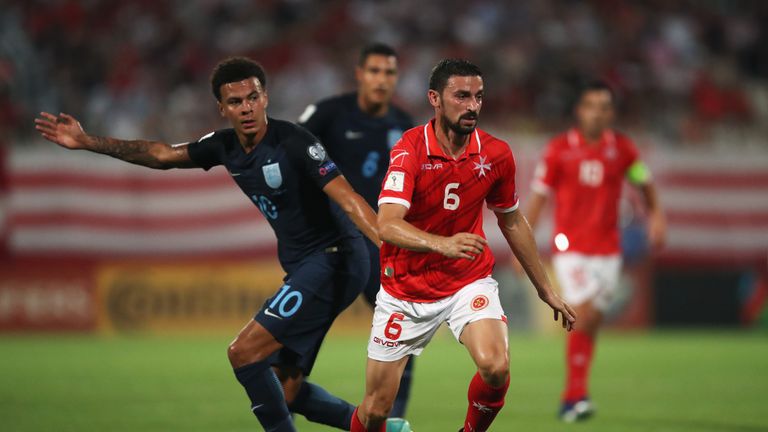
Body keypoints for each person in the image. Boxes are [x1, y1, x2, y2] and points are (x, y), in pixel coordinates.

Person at [35, 57, 381, 432]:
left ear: (266, 98)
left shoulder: (295, 142)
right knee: (286, 389)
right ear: (222, 108)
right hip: (306, 267)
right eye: (235, 102)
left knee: (244, 353)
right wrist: (88, 142)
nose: (246, 108)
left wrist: (389, 245)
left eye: (253, 97)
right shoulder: (224, 146)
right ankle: (381, 429)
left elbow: (349, 199)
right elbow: (161, 154)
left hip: (334, 260)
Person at [348, 58, 576, 432]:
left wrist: (545, 288)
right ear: (435, 99)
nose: (472, 105)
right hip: (404, 289)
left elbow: (512, 219)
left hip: (466, 282)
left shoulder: (496, 154)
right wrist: (442, 244)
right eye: (462, 96)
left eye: (479, 96)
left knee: (496, 366)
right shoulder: (409, 150)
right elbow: (386, 225)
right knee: (374, 411)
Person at [525, 81, 666, 422]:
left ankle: (573, 397)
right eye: (592, 106)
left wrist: (657, 215)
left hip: (608, 251)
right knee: (584, 315)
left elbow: (644, 182)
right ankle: (575, 396)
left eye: (604, 107)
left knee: (593, 321)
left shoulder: (623, 150)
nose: (598, 113)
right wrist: (522, 248)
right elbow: (538, 200)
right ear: (580, 110)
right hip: (571, 249)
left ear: (611, 113)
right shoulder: (559, 150)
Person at [298, 42, 416, 418]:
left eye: (389, 72)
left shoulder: (403, 124)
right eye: (375, 71)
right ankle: (288, 384)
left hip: (383, 240)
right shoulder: (329, 114)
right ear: (360, 74)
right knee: (308, 325)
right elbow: (291, 152)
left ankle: (392, 416)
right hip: (335, 239)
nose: (382, 79)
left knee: (403, 326)